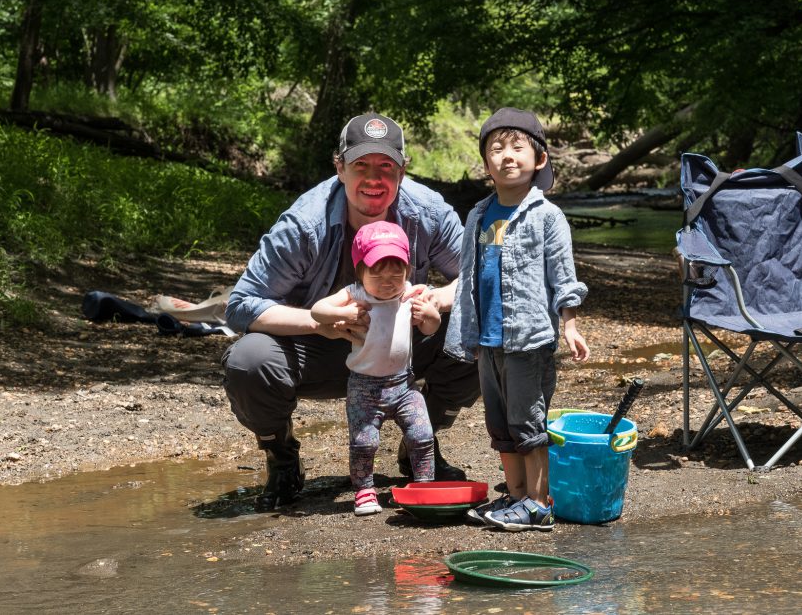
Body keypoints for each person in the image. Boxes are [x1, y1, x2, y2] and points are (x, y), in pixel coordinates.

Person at [223, 113, 480, 513]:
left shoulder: (428, 212)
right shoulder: (304, 224)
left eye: (386, 167)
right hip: (322, 349)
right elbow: (241, 306)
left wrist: (436, 300)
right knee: (248, 360)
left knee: (482, 330)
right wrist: (316, 321)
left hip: (402, 351)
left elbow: (476, 277)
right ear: (339, 168)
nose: (374, 179)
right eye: (361, 166)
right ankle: (282, 457)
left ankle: (420, 445)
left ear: (402, 170)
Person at [445, 107, 590, 532]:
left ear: (538, 159)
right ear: (486, 163)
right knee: (501, 423)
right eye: (496, 149)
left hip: (529, 337)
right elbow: (470, 273)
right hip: (488, 339)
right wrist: (461, 330)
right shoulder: (477, 216)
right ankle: (515, 495)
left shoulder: (547, 215)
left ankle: (539, 503)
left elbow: (564, 275)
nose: (507, 156)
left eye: (517, 147)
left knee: (529, 422)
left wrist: (570, 324)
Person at [310, 221, 441, 516]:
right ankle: (365, 489)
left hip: (404, 384)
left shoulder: (411, 294)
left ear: (407, 270)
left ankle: (423, 486)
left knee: (422, 435)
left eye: (397, 272)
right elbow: (318, 310)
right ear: (360, 271)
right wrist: (343, 312)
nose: (388, 280)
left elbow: (432, 327)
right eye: (377, 272)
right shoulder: (356, 294)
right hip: (364, 386)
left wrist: (430, 315)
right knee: (364, 441)